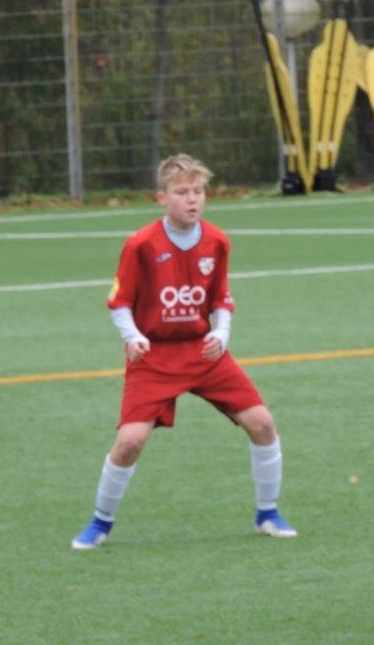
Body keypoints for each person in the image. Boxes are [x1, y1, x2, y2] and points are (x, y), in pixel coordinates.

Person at [70, 153, 295, 550]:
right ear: (162, 198)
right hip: (154, 358)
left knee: (262, 423)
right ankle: (100, 523)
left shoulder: (217, 241)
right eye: (182, 192)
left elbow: (221, 298)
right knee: (130, 442)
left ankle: (268, 514)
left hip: (203, 354)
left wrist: (221, 333)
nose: (192, 199)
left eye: (198, 191)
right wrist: (133, 336)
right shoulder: (141, 244)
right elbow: (119, 301)